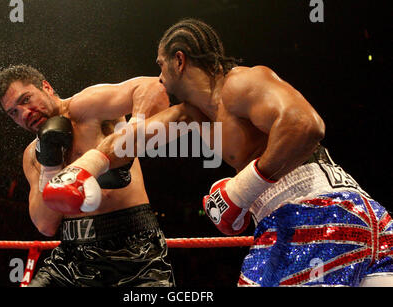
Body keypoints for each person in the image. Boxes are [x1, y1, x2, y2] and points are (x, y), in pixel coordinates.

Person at [69, 18, 392, 286]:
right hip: (366, 219)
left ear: (179, 60)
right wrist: (82, 170)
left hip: (312, 213)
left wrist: (240, 190)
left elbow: (305, 125)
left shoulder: (241, 84)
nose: (159, 78)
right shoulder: (191, 114)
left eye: (161, 66)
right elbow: (128, 142)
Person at [0, 64, 175, 287]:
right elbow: (45, 226)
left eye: (26, 99)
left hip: (135, 251)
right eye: (14, 112)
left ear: (46, 87)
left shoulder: (87, 107)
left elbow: (153, 87)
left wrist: (130, 136)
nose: (25, 113)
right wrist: (50, 167)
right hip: (70, 258)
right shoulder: (32, 155)